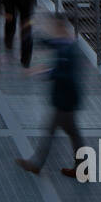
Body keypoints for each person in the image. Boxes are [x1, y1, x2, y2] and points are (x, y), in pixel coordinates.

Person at [16, 13, 85, 178]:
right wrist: (30, 32)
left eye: (54, 26)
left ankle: (36, 164)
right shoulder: (66, 42)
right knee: (72, 133)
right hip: (66, 98)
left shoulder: (67, 49)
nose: (52, 29)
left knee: (51, 131)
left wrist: (40, 71)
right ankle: (82, 168)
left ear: (61, 28)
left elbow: (63, 74)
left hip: (65, 99)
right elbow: (48, 42)